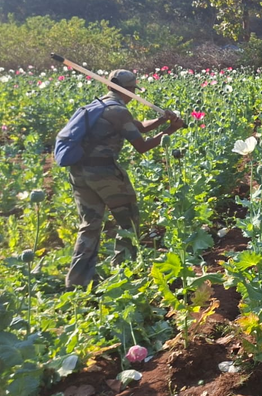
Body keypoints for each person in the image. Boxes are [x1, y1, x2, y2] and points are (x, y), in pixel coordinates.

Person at [66, 70, 184, 288]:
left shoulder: (99, 106)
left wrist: (161, 119)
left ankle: (77, 282)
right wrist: (171, 129)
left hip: (79, 172)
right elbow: (142, 146)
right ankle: (123, 273)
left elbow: (138, 127)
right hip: (104, 173)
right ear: (129, 90)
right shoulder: (118, 111)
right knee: (128, 220)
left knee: (89, 225)